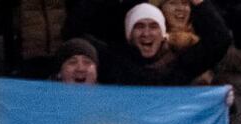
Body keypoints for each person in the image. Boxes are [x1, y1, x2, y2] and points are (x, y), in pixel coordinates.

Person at [97, 1, 231, 86]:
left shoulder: (179, 65)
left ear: (163, 35)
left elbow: (219, 39)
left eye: (154, 27)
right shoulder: (114, 65)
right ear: (129, 35)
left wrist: (199, 2)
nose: (146, 33)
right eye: (139, 26)